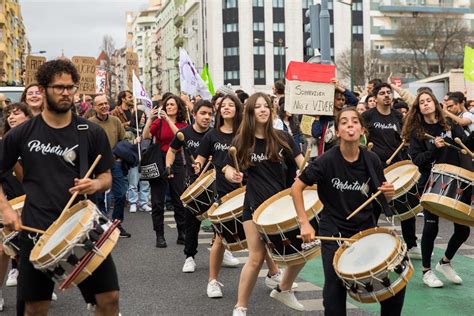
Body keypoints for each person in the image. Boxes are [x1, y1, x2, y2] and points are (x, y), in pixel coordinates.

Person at [0, 59, 119, 315]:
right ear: (43, 90)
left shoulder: (90, 132)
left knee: (109, 298)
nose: (66, 93)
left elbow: (107, 176)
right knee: (35, 307)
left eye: (70, 87)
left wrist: (95, 183)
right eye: (58, 87)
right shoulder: (22, 133)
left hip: (82, 228)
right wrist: (6, 210)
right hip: (37, 230)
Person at [292, 106, 405, 315]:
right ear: (338, 130)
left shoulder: (372, 160)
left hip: (365, 231)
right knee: (334, 292)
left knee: (394, 281)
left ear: (362, 129)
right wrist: (304, 222)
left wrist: (388, 193)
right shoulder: (326, 161)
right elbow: (296, 187)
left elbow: (381, 194)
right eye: (344, 122)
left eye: (354, 121)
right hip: (334, 231)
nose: (349, 125)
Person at [225, 92, 304, 316]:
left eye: (266, 106)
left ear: (271, 110)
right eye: (257, 107)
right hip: (254, 206)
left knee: (305, 249)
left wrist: (303, 174)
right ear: (249, 112)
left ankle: (284, 288)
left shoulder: (283, 138)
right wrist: (232, 175)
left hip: (282, 207)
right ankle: (240, 306)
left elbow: (303, 165)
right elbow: (227, 167)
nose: (262, 109)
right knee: (256, 258)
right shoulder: (241, 141)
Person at [402, 91, 472, 288]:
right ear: (418, 108)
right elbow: (417, 160)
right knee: (431, 227)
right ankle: (426, 271)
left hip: (456, 178)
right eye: (422, 102)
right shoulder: (417, 131)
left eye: (428, 100)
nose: (425, 104)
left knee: (463, 229)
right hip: (431, 180)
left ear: (435, 103)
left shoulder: (449, 125)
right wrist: (434, 148)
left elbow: (464, 145)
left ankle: (445, 262)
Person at [362, 83, 421, 259]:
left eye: (389, 92)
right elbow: (361, 138)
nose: (386, 95)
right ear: (375, 97)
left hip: (397, 167)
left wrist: (407, 140)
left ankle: (411, 244)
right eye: (382, 93)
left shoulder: (398, 116)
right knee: (374, 206)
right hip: (375, 168)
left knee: (405, 204)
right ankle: (368, 241)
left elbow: (407, 137)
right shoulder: (367, 116)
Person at [193, 94, 243, 298]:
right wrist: (197, 165)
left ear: (238, 110)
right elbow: (200, 158)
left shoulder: (244, 135)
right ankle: (212, 281)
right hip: (220, 191)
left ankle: (274, 273)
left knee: (259, 237)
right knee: (220, 238)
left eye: (231, 105)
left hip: (245, 190)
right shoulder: (212, 136)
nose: (227, 108)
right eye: (223, 105)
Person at [165, 100, 213, 273]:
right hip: (192, 184)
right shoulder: (184, 133)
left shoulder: (215, 134)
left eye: (209, 114)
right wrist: (168, 166)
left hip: (213, 183)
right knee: (192, 222)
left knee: (218, 220)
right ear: (194, 115)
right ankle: (190, 257)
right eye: (203, 113)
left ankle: (223, 249)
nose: (207, 117)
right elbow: (171, 150)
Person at [143, 94, 188, 248]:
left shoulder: (183, 124)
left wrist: (168, 120)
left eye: (172, 105)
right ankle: (159, 235)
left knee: (179, 198)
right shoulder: (159, 122)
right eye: (167, 105)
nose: (169, 107)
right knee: (157, 200)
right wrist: (150, 119)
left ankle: (182, 232)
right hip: (159, 159)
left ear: (178, 108)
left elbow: (180, 137)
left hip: (176, 161)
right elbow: (146, 136)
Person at [89, 94, 131, 238]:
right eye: (100, 104)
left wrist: (119, 156)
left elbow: (124, 140)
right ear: (94, 107)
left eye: (106, 103)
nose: (104, 106)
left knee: (120, 195)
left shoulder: (115, 121)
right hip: (97, 166)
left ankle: (117, 223)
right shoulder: (89, 123)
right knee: (99, 197)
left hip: (114, 163)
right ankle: (103, 224)